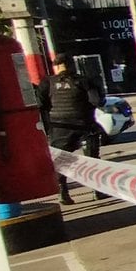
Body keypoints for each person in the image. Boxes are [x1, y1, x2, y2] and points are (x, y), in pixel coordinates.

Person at [42, 54, 102, 203]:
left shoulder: (47, 82)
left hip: (59, 127)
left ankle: (63, 192)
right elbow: (96, 101)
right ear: (71, 65)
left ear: (56, 67)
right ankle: (97, 191)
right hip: (85, 126)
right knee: (92, 159)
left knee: (61, 161)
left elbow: (41, 105)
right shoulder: (83, 81)